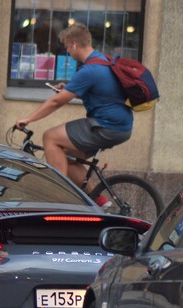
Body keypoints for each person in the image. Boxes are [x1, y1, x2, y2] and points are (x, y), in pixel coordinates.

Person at [15, 22, 133, 207]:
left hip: (107, 125)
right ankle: (103, 203)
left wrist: (27, 119)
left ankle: (59, 197)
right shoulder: (102, 61)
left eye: (67, 47)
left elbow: (57, 102)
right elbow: (103, 92)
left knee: (50, 137)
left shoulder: (89, 70)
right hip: (120, 126)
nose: (68, 52)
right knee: (66, 156)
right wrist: (70, 89)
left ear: (74, 44)